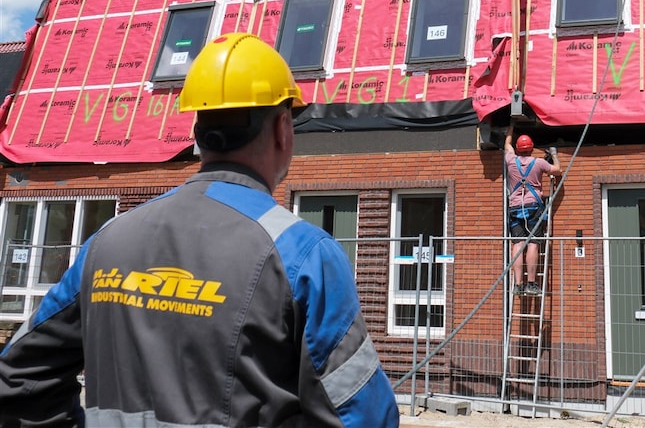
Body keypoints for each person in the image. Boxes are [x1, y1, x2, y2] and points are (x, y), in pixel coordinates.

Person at [0, 33, 399, 427]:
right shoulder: (304, 253)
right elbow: (361, 416)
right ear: (282, 128)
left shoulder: (107, 240)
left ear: (197, 131)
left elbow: (19, 377)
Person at [504, 126, 561, 296]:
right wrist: (554, 155)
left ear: (518, 148)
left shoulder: (510, 160)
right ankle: (531, 283)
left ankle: (518, 284)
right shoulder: (539, 163)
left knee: (518, 244)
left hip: (515, 207)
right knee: (534, 244)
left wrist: (511, 127)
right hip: (534, 207)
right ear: (531, 148)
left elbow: (507, 144)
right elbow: (557, 170)